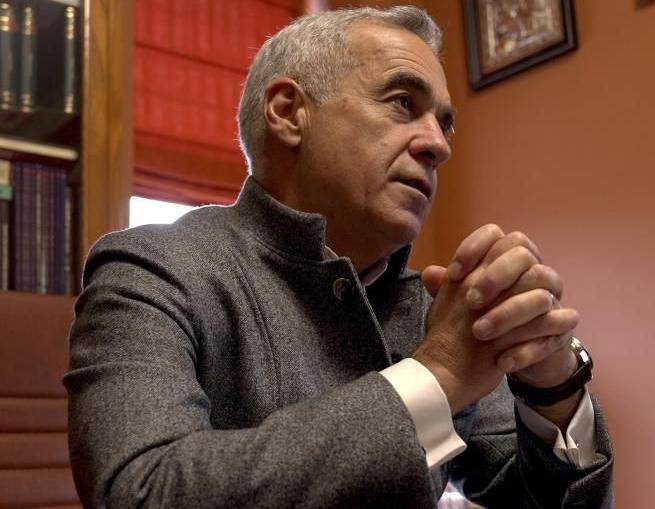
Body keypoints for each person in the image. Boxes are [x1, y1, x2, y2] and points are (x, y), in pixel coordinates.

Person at [65, 6, 613, 508]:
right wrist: (437, 376)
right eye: (404, 103)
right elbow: (139, 493)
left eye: (443, 123)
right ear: (288, 113)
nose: (439, 145)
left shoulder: (432, 308)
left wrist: (553, 385)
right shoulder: (150, 268)